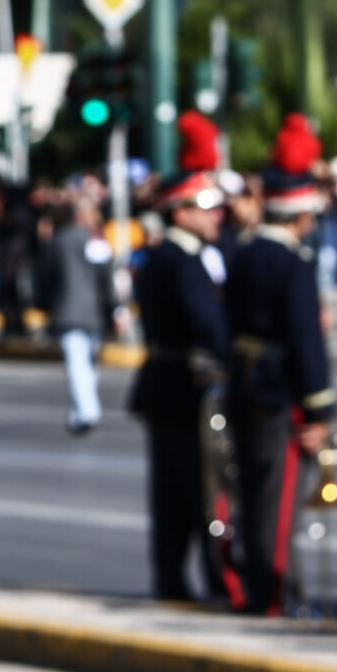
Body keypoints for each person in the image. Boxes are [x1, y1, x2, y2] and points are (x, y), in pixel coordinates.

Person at [226, 115, 336, 615]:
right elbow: (305, 340)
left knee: (253, 492)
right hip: (278, 391)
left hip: (244, 384)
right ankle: (272, 594)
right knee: (279, 498)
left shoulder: (244, 254)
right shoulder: (293, 264)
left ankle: (261, 587)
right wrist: (319, 410)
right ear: (302, 214)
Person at [130, 115, 233, 604]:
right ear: (179, 211)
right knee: (194, 491)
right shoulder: (180, 260)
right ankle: (204, 580)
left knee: (176, 492)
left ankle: (176, 579)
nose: (217, 215)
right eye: (206, 205)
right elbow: (205, 324)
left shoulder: (177, 256)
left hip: (167, 386)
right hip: (182, 388)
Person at [39, 194, 115, 434]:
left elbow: (45, 277)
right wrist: (112, 309)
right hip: (93, 313)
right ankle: (84, 409)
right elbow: (107, 281)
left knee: (77, 363)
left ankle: (84, 410)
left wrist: (46, 305)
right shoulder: (97, 242)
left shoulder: (58, 241)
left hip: (67, 311)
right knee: (87, 364)